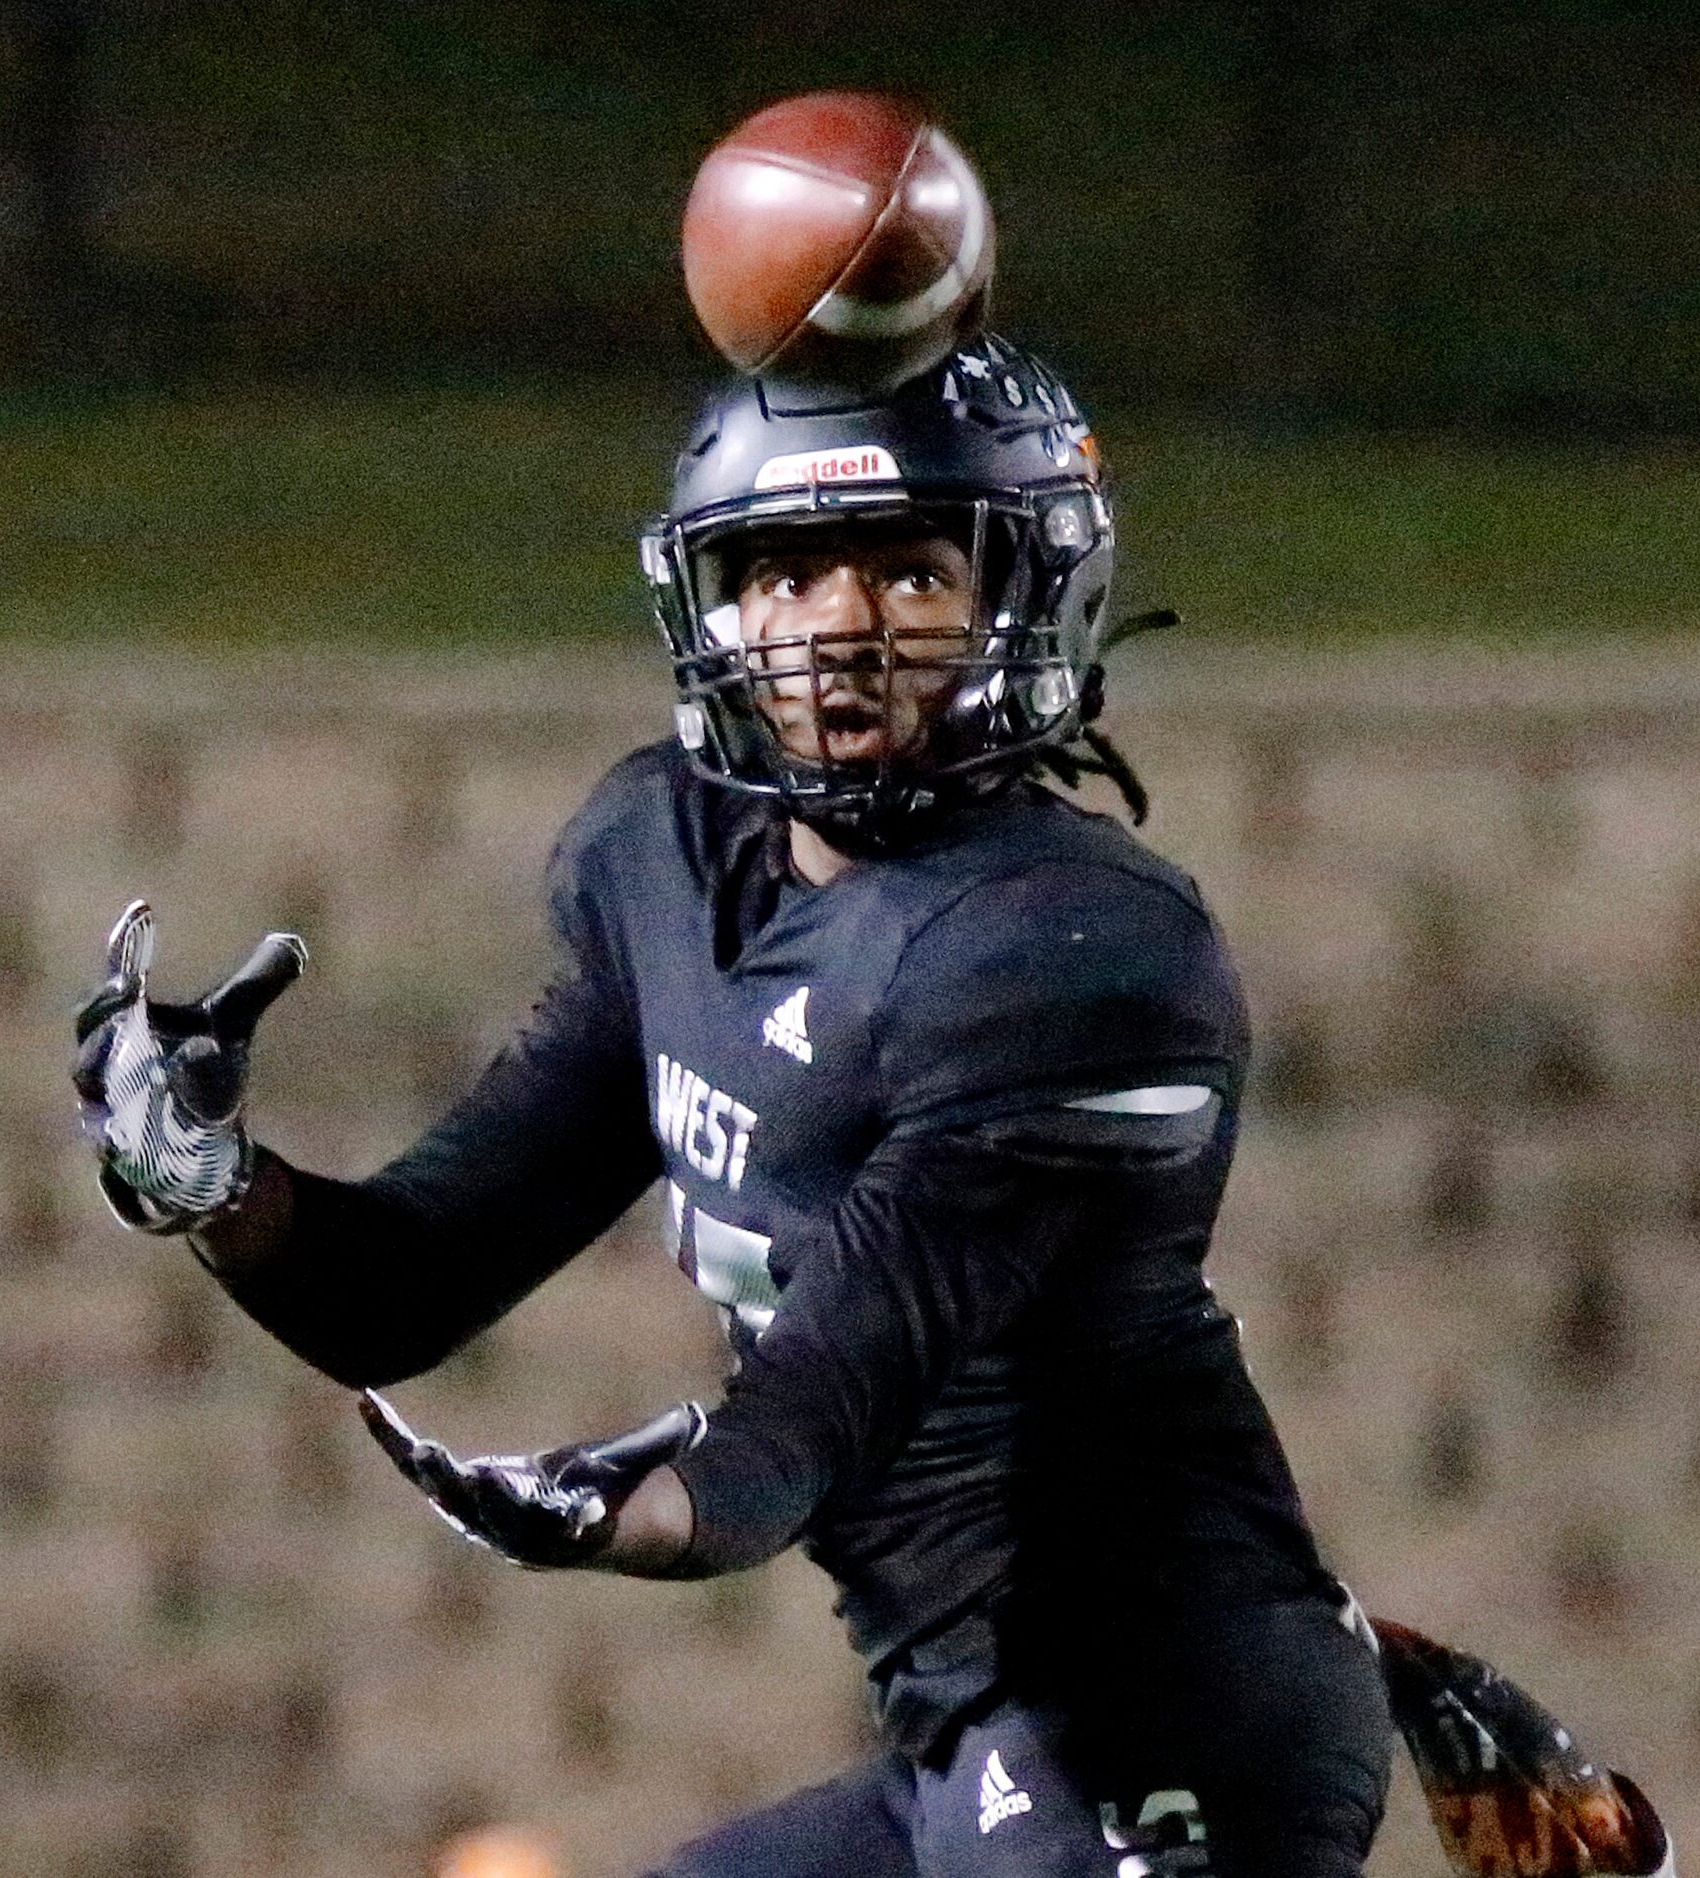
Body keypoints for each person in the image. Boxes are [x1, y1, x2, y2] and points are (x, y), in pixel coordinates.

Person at [73, 332, 1398, 1877]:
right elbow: (405, 1279)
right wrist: (210, 1184)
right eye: (783, 574)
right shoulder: (674, 860)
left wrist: (629, 1509)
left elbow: (820, 1408)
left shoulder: (1068, 948)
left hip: (1162, 1723)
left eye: (907, 572)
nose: (838, 628)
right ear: (713, 605)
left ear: (1022, 598)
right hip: (961, 1737)